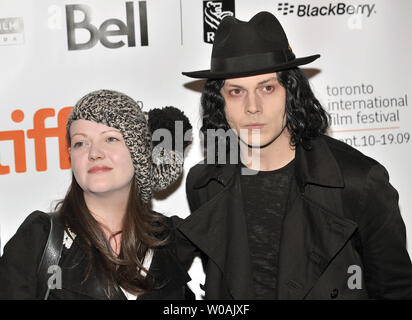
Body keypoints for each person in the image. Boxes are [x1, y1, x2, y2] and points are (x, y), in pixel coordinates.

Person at [177, 11, 412, 299]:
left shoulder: (357, 182)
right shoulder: (203, 183)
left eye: (267, 87)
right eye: (236, 91)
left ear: (291, 91)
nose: (253, 106)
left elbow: (396, 290)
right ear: (220, 102)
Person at [0, 89, 193, 300]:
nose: (94, 153)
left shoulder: (168, 240)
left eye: (110, 139)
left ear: (139, 153)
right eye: (80, 143)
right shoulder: (40, 238)